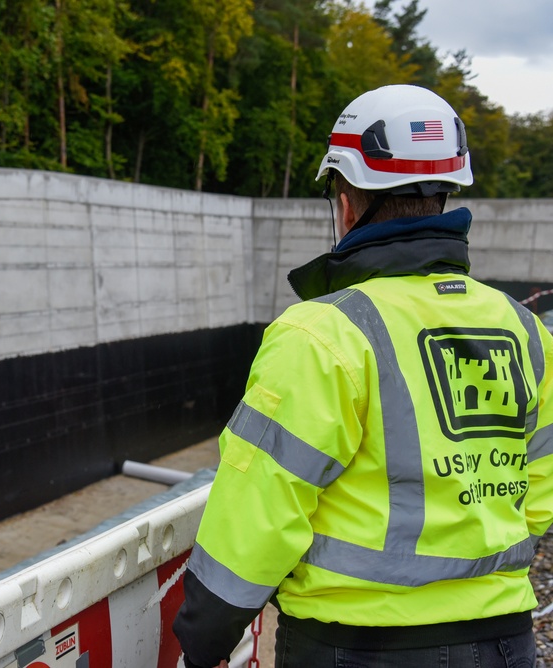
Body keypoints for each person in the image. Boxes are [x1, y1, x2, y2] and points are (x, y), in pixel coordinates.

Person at [173, 83, 553, 668]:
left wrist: (203, 638)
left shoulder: (323, 334)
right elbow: (538, 494)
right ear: (446, 196)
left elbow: (259, 514)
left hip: (355, 646)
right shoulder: (525, 330)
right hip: (504, 641)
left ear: (348, 201)